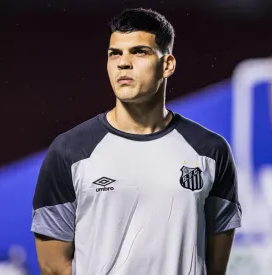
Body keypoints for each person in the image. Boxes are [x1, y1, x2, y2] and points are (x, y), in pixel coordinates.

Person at [31, 8, 242, 275]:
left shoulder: (211, 151)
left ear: (167, 65)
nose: (123, 63)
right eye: (114, 54)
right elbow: (52, 265)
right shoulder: (69, 150)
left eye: (139, 52)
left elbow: (215, 266)